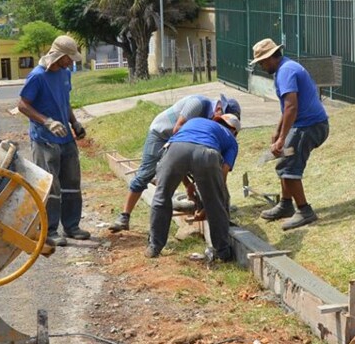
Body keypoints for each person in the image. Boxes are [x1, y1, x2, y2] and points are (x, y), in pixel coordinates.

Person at [109, 94, 242, 232]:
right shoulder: (198, 103)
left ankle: (203, 206)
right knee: (145, 175)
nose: (222, 125)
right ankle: (124, 216)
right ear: (219, 109)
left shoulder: (212, 121)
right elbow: (177, 131)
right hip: (161, 134)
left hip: (180, 143)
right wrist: (187, 182)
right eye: (223, 120)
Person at [18, 35, 91, 247]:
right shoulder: (37, 76)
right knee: (50, 185)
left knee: (72, 182)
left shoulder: (65, 73)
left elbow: (64, 102)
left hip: (65, 137)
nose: (71, 62)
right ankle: (49, 230)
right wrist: (47, 121)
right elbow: (22, 105)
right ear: (58, 55)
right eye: (69, 58)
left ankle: (72, 226)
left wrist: (74, 123)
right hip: (44, 139)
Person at [249, 38, 329, 231]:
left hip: (309, 126)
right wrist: (278, 132)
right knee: (285, 161)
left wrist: (282, 138)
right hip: (306, 124)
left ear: (270, 58)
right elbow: (288, 108)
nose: (261, 67)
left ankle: (304, 211)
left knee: (288, 166)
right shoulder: (286, 67)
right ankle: (286, 204)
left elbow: (292, 107)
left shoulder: (285, 71)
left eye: (262, 63)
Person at [146, 112, 241, 261]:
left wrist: (187, 184)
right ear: (234, 131)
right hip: (207, 153)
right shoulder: (231, 140)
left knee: (161, 196)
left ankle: (154, 247)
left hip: (176, 149)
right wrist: (207, 208)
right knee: (217, 203)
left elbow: (182, 154)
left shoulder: (196, 121)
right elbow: (221, 181)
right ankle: (223, 252)